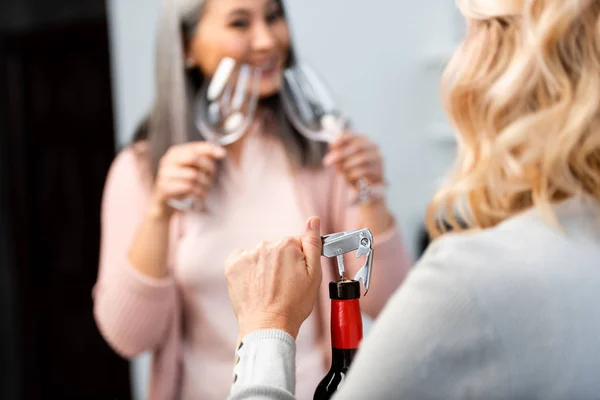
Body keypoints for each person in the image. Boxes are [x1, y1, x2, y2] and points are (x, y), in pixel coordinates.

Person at [224, 0, 600, 398]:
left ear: (493, 73)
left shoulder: (466, 285)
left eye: (468, 35)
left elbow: (386, 296)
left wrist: (266, 324)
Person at [91, 0, 412, 399]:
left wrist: (370, 192)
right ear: (187, 46)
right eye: (240, 23)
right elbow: (129, 338)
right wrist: (159, 212)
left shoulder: (320, 153)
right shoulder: (140, 171)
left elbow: (390, 302)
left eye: (274, 17)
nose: (266, 40)